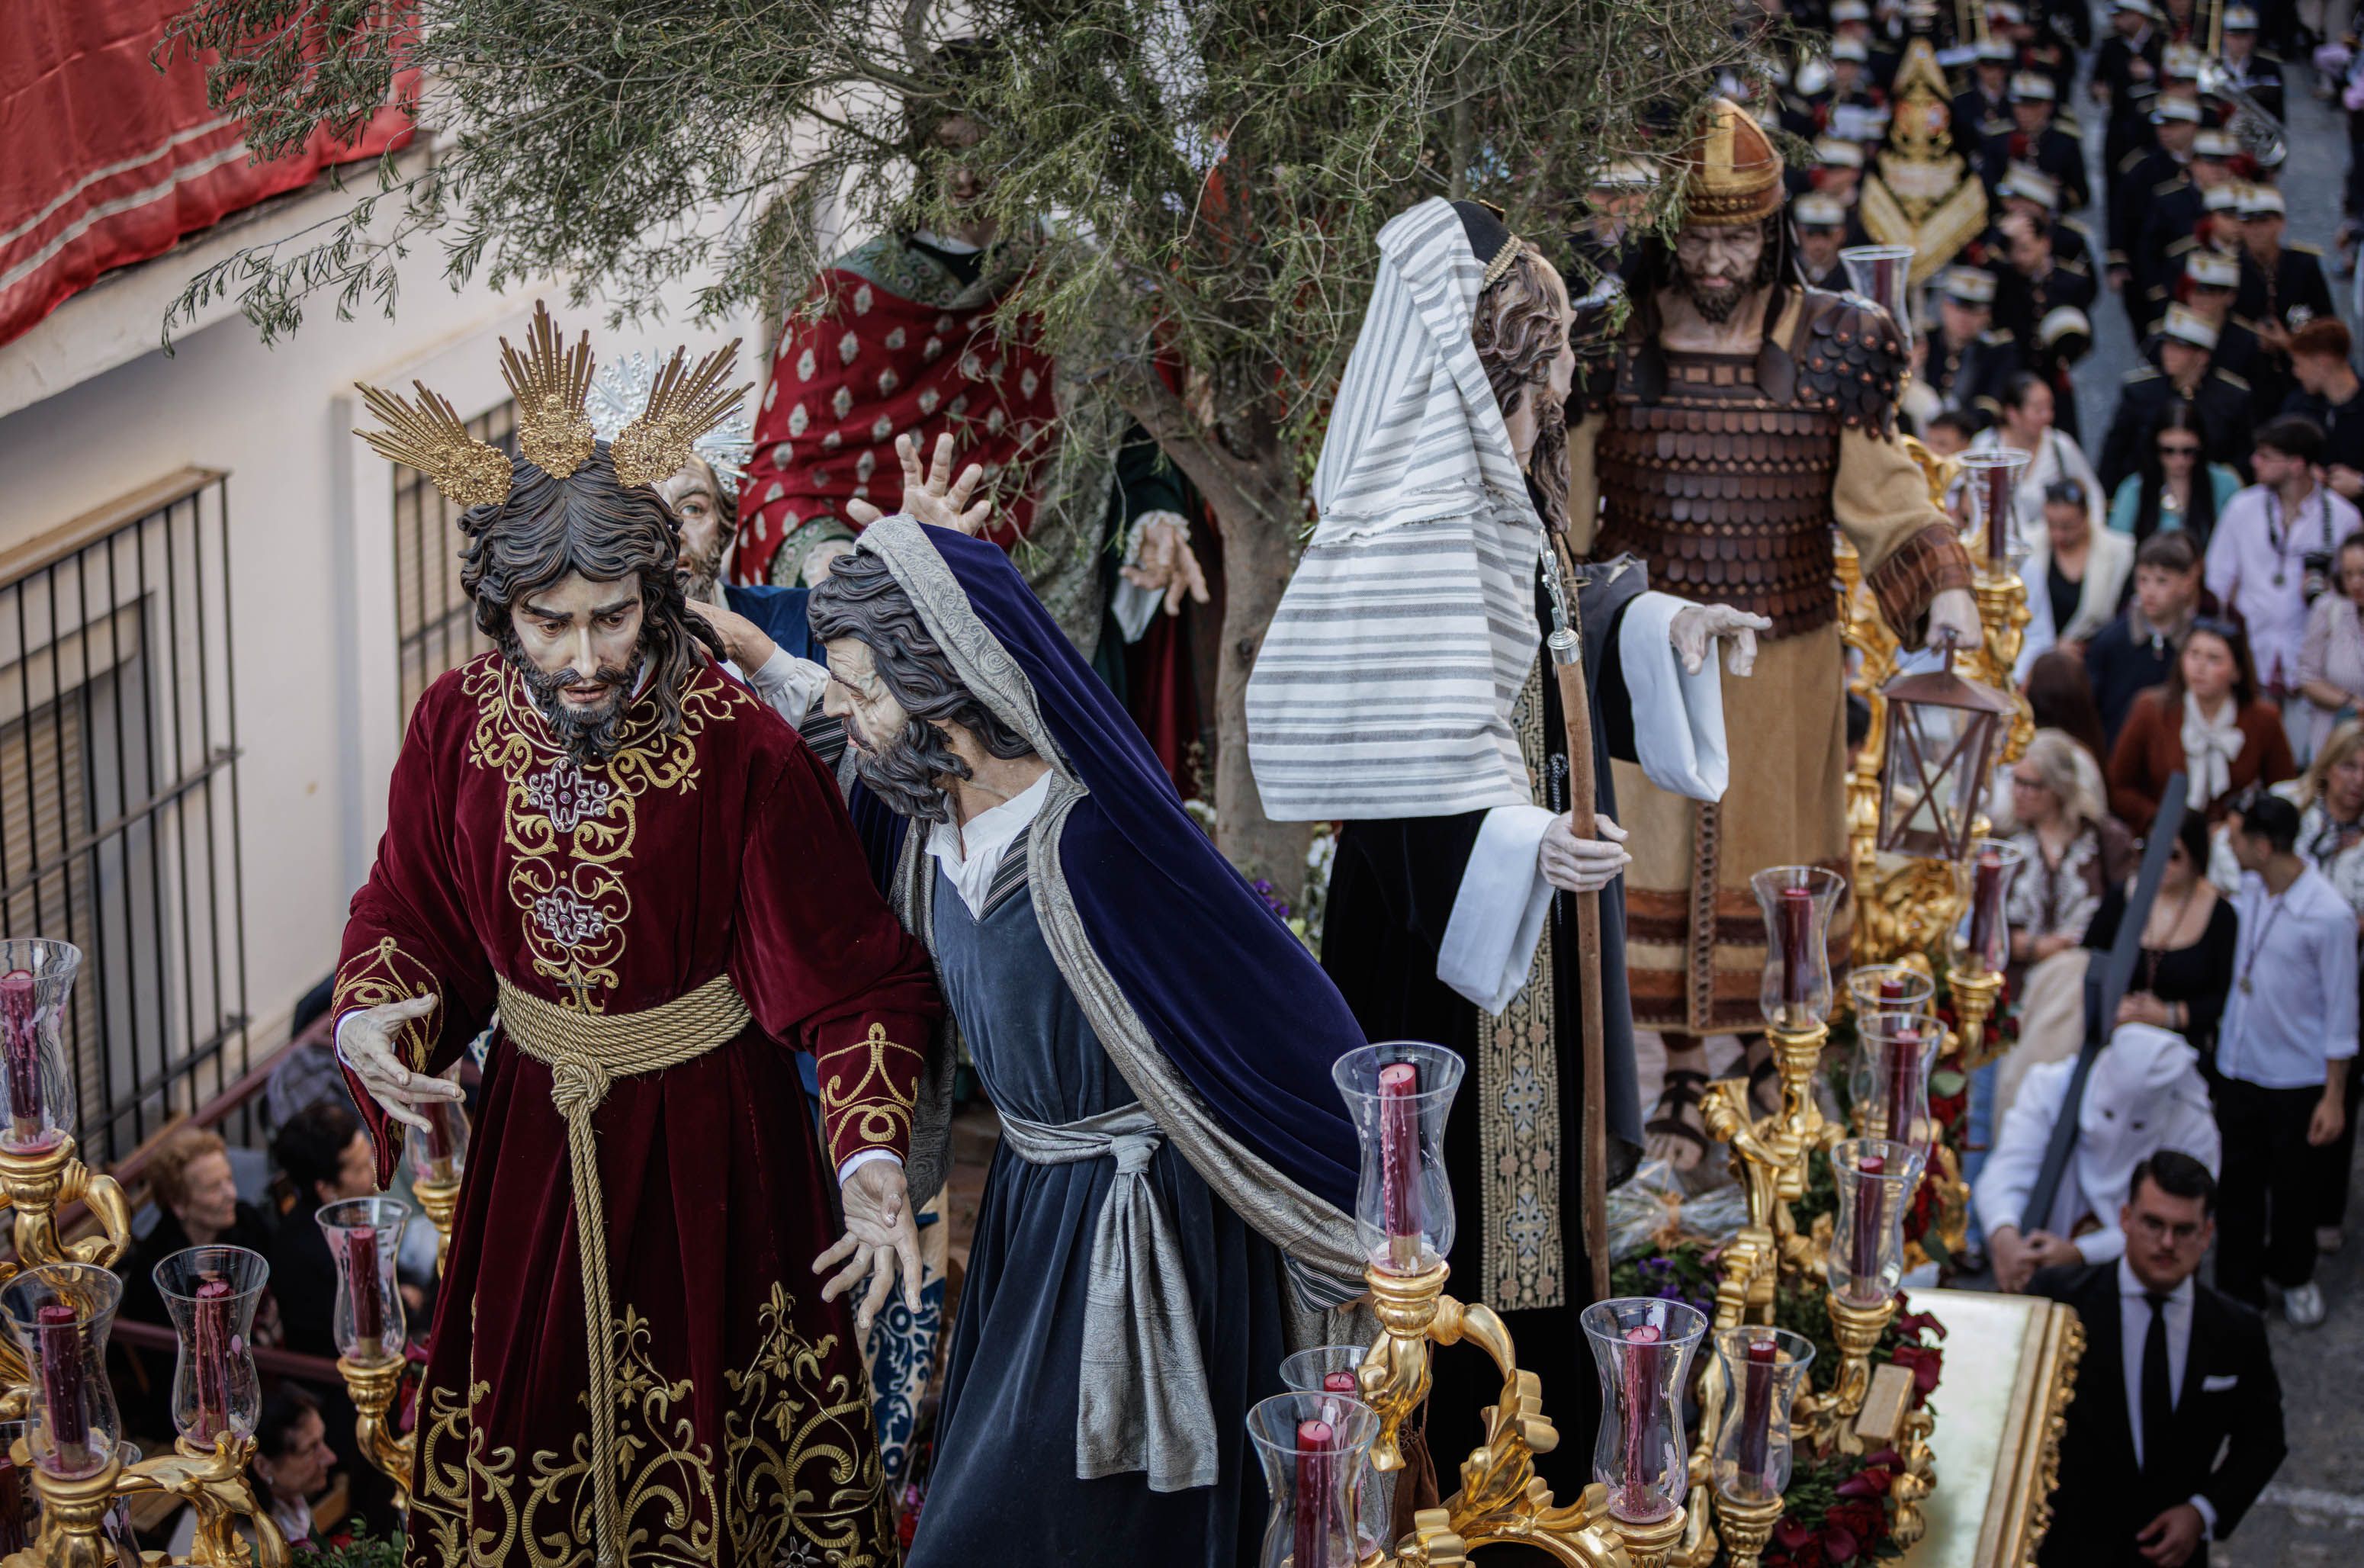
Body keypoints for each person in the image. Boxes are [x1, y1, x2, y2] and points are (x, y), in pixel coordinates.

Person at [336, 305, 942, 1565]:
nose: (582, 657)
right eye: (548, 625)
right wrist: (374, 1012)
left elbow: (851, 979)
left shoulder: (743, 748)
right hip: (532, 1150)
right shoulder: (455, 724)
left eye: (610, 617)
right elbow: (409, 906)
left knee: (721, 1458)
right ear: (505, 616)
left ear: (657, 595)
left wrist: (871, 1151)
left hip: (713, 1144)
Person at [1248, 196, 1758, 1486]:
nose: (1579, 360)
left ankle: (1545, 1465)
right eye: (1560, 343)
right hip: (1450, 942)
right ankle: (1470, 1478)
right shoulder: (1426, 516)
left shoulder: (1497, 489)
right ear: (1519, 359)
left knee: (1541, 1220)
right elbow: (1415, 780)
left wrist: (1661, 630)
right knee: (1474, 1224)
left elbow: (1545, 643)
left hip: (1521, 921)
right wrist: (1528, 843)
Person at [806, 509, 1369, 1568]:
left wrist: (1370, 1190)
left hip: (1143, 1240)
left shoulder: (1098, 847)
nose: (845, 709)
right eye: (840, 681)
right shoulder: (922, 821)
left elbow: (1282, 1013)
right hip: (1034, 1211)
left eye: (865, 686)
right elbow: (801, 733)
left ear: (946, 686)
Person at [1556, 98, 1981, 1052]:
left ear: (1772, 229)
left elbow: (1888, 496)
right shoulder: (1606, 347)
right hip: (1646, 664)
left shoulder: (1837, 344)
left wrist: (1945, 583)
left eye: (1737, 240)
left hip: (1783, 668)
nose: (1715, 262)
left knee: (1775, 868)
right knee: (1645, 860)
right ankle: (1657, 1072)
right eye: (1699, 240)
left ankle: (1758, 1064)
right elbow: (1566, 518)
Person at [730, 49, 1207, 697]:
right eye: (946, 147)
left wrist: (1155, 517)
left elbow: (1132, 438)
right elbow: (780, 476)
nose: (966, 175)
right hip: (894, 635)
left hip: (1059, 620)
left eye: (991, 148)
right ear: (915, 153)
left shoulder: (1075, 282)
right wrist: (829, 560)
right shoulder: (842, 303)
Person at [2028, 1152, 2287, 1568]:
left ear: (2207, 1234)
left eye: (2184, 1230)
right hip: (2066, 1549)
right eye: (2154, 1224)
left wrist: (2202, 1512)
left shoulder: (2236, 1330)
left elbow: (2264, 1441)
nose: (2167, 1244)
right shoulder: (2059, 1301)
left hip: (2171, 1558)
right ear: (2126, 1219)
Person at [2213, 793, 2356, 1324]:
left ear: (2264, 846)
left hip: (2295, 1078)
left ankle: (2294, 1275)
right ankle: (2237, 1285)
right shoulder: (2253, 887)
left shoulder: (2329, 916)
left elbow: (2342, 1014)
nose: (2233, 844)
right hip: (2239, 1065)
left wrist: (2334, 1096)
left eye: (2241, 838)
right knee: (2239, 1187)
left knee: (2294, 1189)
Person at [1978, 1025, 2219, 1290]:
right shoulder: (2052, 1087)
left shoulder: (2192, 1125)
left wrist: (2081, 1252)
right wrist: (2005, 1237)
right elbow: (2007, 1169)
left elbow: (2180, 1222)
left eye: (2137, 1125)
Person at [2205, 415, 2362, 696]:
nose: (2255, 462)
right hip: (2251, 657)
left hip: (2317, 667)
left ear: (2296, 464)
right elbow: (2217, 582)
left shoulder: (2343, 518)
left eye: (2266, 457)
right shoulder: (2241, 509)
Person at [2107, 619, 2295, 830]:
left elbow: (2284, 791)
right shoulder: (2151, 709)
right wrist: (2161, 820)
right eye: (2193, 654)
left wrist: (2238, 828)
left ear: (2236, 671)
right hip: (2161, 838)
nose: (2200, 667)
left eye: (2213, 659)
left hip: (2233, 845)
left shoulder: (2263, 719)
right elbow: (2118, 786)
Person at [116, 1128, 276, 1328]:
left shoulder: (248, 1222)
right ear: (178, 1204)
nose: (232, 1194)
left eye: (229, 1180)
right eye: (214, 1187)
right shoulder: (158, 1271)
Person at [2007, 729, 2135, 968]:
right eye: (2016, 781)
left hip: (2080, 978)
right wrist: (2033, 947)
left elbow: (2127, 912)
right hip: (2015, 982)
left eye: (2030, 785)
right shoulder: (2005, 839)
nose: (2018, 793)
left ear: (2057, 788)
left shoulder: (2105, 839)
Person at [2097, 305, 2256, 494]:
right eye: (2167, 345)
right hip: (2148, 494)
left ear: (2202, 356)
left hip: (2209, 495)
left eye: (2179, 347)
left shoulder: (2232, 398)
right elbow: (2115, 452)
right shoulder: (2139, 393)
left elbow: (2244, 455)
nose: (2168, 353)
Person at [267, 1099, 376, 1360]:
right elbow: (358, 1332)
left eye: (370, 1156)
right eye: (361, 1168)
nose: (375, 1170)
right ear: (327, 1190)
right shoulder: (308, 1253)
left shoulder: (350, 1213)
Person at [170, 1386, 336, 1556]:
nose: (330, 1457)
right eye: (311, 1449)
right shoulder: (243, 1546)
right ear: (263, 1467)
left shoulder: (289, 1498)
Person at [2087, 530, 2207, 749]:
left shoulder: (2197, 643)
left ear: (2187, 583)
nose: (2150, 592)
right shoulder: (2111, 641)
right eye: (2143, 580)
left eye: (2162, 581)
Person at [2021, 479, 2131, 668]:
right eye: (2051, 525)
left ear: (2086, 516)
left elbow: (2121, 617)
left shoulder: (2120, 552)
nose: (2058, 535)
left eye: (2067, 526)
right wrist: (2051, 647)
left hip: (2092, 660)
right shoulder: (2027, 545)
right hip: (2036, 662)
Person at [2105, 403, 2240, 545]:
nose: (2179, 460)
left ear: (2201, 447)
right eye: (2168, 450)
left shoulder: (2224, 484)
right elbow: (2118, 544)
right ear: (2155, 448)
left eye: (2188, 451)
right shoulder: (2134, 489)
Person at [2294, 532, 2364, 757]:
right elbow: (2306, 676)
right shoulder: (2328, 609)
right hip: (2330, 739)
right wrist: (2350, 703)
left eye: (2363, 573)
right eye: (2348, 574)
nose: (2355, 582)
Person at [2282, 318, 2364, 503]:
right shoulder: (2297, 406)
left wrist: (2359, 483)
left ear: (2322, 362)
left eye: (2299, 364)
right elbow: (2278, 453)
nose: (2296, 372)